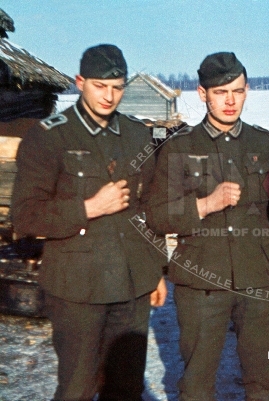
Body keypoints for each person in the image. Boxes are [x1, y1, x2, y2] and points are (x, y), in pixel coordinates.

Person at [11, 44, 167, 401]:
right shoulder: (50, 136)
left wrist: (156, 269)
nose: (109, 96)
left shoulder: (137, 135)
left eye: (117, 87)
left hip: (131, 284)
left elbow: (148, 208)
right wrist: (89, 208)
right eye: (100, 86)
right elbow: (25, 214)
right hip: (76, 289)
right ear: (80, 82)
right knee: (77, 388)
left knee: (126, 388)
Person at [145, 52, 269, 401]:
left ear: (247, 91)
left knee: (264, 377)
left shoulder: (263, 143)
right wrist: (205, 204)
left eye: (237, 91)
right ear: (202, 93)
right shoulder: (180, 146)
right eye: (221, 92)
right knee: (197, 380)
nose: (230, 101)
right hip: (201, 279)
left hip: (259, 278)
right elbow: (157, 216)